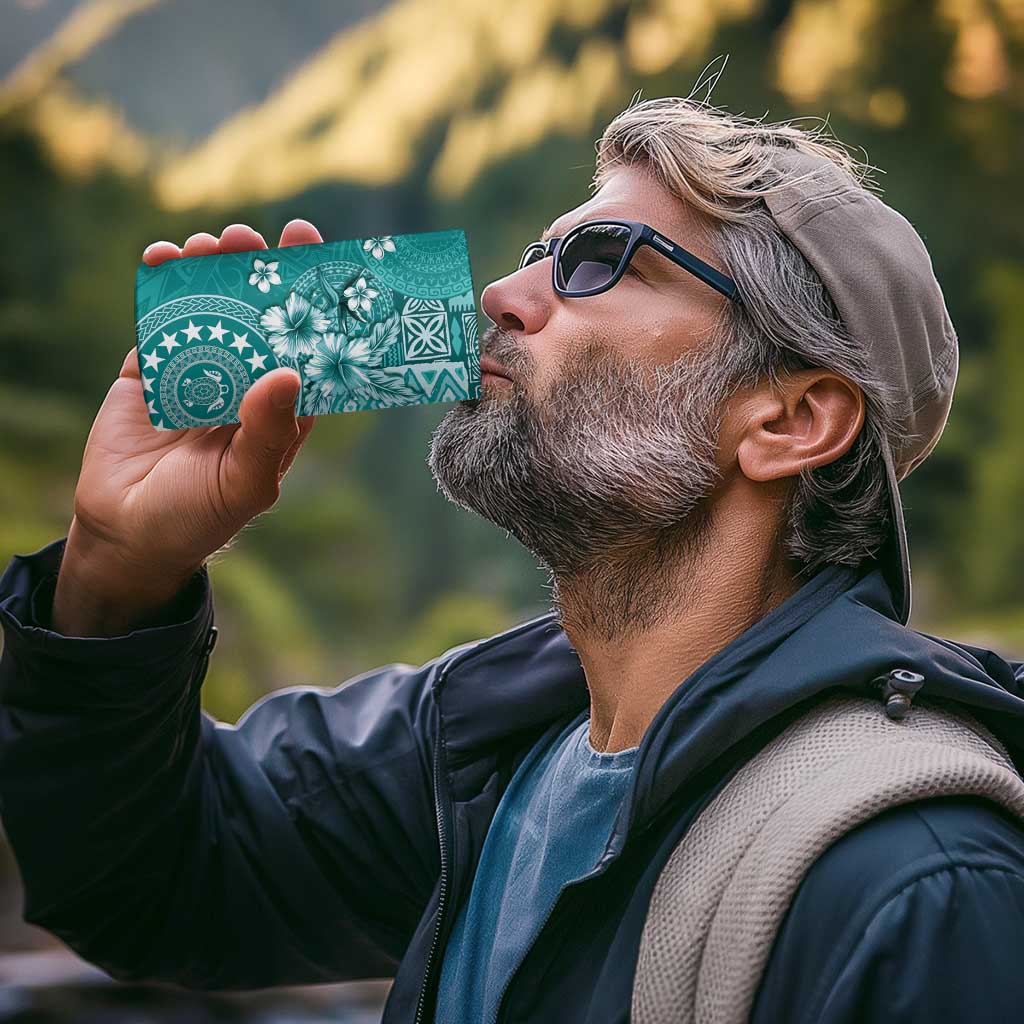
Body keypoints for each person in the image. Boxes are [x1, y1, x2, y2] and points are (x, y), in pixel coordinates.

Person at [2, 94, 1024, 1024]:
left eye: (599, 261)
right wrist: (115, 573)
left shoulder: (918, 884)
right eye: (539, 252)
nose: (502, 291)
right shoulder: (479, 749)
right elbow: (149, 880)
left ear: (791, 419)